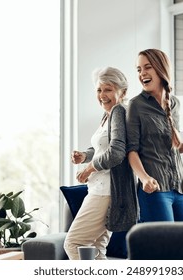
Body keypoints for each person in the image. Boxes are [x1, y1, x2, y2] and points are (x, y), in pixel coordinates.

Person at [126, 48, 183, 223]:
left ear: (161, 69)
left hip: (181, 187)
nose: (142, 73)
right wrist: (144, 178)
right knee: (164, 246)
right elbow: (132, 151)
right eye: (139, 69)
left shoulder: (175, 104)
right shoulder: (135, 105)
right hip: (155, 189)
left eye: (147, 67)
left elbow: (172, 147)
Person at [64, 67, 138, 260]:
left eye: (108, 89)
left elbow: (116, 153)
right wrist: (85, 155)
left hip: (106, 190)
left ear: (122, 92)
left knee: (73, 243)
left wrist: (89, 168)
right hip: (102, 188)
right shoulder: (108, 114)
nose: (102, 95)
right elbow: (102, 148)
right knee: (98, 250)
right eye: (99, 90)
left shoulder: (119, 111)